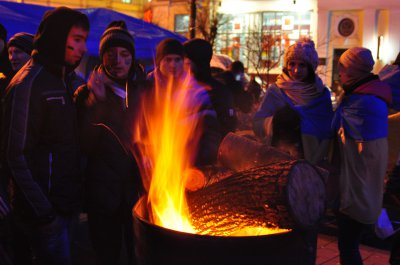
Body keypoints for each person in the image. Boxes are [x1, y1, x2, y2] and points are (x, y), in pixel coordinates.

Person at [0, 7, 89, 265]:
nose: (82, 48)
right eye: (76, 39)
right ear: (58, 37)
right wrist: (45, 212)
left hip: (65, 205)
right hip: (45, 213)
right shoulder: (28, 84)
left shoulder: (64, 80)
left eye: (84, 39)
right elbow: (16, 155)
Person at [253, 39, 334, 265]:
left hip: (310, 163)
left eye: (302, 65)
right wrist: (278, 121)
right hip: (279, 163)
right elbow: (258, 122)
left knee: (306, 216)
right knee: (280, 216)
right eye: (292, 64)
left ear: (311, 67)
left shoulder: (321, 94)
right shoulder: (276, 91)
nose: (296, 70)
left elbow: (326, 128)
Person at [74, 20, 144, 265]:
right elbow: (84, 143)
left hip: (138, 191)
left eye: (125, 55)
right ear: (102, 58)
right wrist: (97, 102)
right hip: (102, 194)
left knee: (139, 253)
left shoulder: (141, 91)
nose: (118, 61)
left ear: (132, 58)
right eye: (111, 55)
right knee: (107, 255)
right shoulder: (85, 94)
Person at [332, 47, 392, 265]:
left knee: (347, 246)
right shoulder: (373, 95)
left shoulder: (360, 102)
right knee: (349, 244)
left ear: (355, 71)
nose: (340, 74)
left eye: (343, 68)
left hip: (356, 187)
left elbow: (333, 127)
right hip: (366, 185)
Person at [147, 38, 221, 167]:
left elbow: (210, 132)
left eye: (177, 60)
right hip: (151, 165)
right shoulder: (145, 88)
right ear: (159, 62)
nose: (173, 65)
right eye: (168, 60)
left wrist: (197, 158)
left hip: (186, 165)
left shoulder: (196, 92)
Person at [183, 38, 237, 138]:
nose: (181, 66)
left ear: (195, 62)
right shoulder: (184, 88)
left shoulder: (217, 93)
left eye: (186, 62)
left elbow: (226, 129)